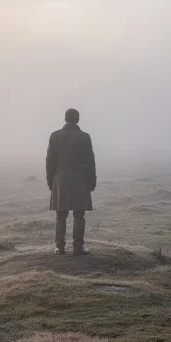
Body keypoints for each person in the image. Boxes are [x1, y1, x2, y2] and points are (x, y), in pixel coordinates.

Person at [45, 108, 97, 255]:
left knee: (60, 215)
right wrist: (92, 181)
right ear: (77, 119)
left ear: (65, 119)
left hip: (60, 179)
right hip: (80, 179)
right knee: (79, 215)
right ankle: (78, 247)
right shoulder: (84, 137)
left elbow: (49, 162)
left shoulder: (55, 137)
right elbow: (90, 162)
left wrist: (50, 181)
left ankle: (59, 247)